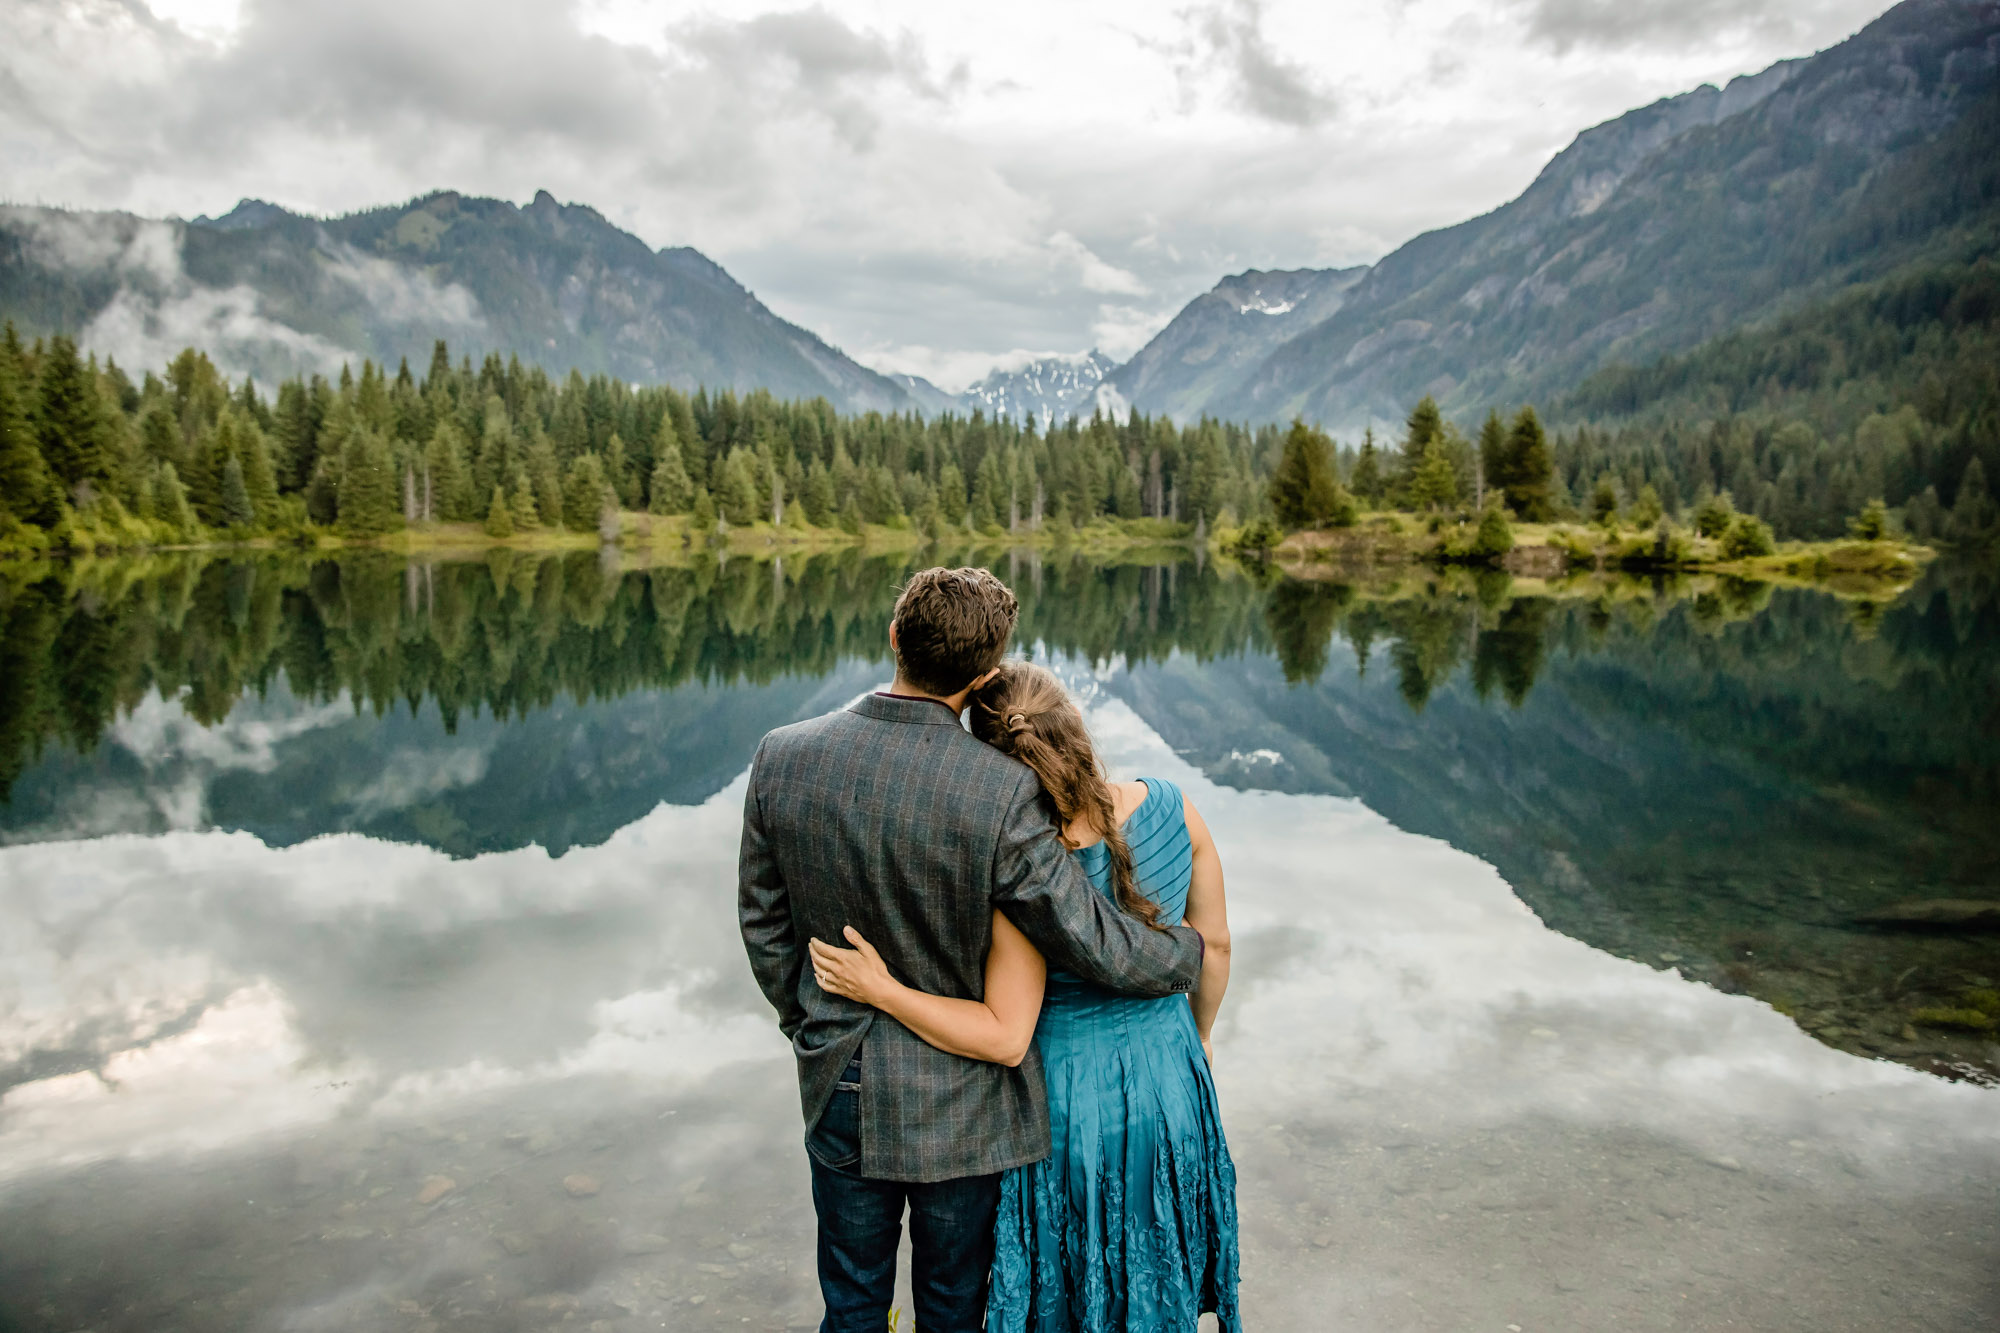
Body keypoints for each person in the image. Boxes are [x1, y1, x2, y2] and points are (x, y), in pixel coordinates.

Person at [738, 567, 1206, 1333]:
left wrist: (813, 1022)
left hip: (840, 1081)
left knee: (851, 1303)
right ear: (984, 676)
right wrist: (1186, 952)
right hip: (963, 1102)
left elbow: (764, 926)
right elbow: (1088, 936)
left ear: (893, 637)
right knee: (953, 1311)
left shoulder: (781, 755)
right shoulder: (1001, 791)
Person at [812, 660, 1240, 1331]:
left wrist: (883, 989)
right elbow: (1213, 946)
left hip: (1063, 1105)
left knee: (1069, 1291)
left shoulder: (1019, 868)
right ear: (1073, 725)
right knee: (1157, 1271)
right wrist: (1203, 1033)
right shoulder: (1174, 805)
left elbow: (1004, 1035)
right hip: (1170, 1078)